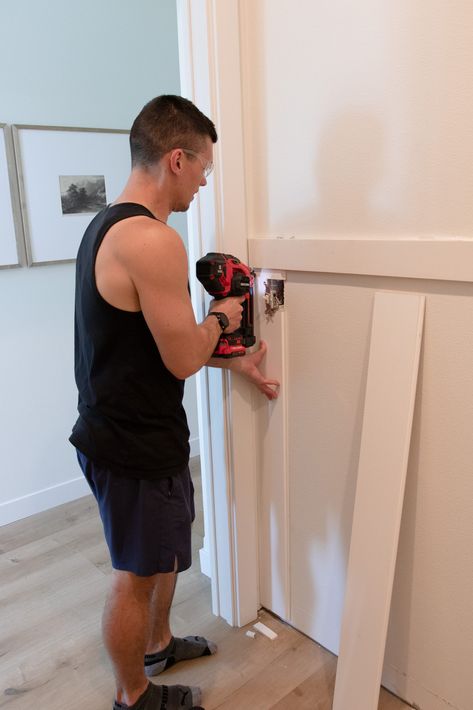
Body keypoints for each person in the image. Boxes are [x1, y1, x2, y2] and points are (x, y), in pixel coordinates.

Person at [69, 95, 279, 710]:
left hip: (139, 430)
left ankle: (157, 644)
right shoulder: (152, 241)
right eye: (206, 167)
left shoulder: (107, 224)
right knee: (134, 575)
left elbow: (159, 345)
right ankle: (133, 694)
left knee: (163, 553)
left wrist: (233, 356)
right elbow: (186, 356)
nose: (206, 180)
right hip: (128, 442)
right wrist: (222, 316)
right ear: (177, 158)